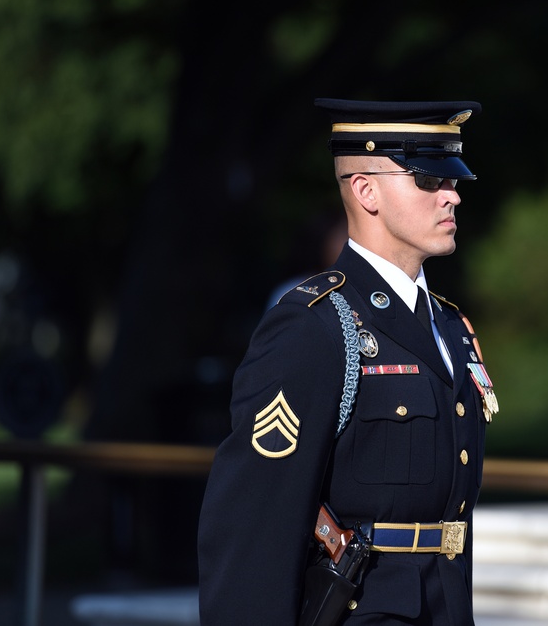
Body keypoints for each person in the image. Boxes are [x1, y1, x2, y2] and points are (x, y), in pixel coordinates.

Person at [198, 98, 497, 625]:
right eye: (429, 181)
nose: (452, 196)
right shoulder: (313, 326)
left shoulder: (450, 327)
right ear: (366, 191)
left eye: (451, 181)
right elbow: (254, 523)